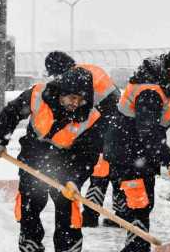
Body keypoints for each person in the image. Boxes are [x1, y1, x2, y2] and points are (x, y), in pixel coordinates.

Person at [0, 66, 101, 252]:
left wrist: (75, 180)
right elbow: (10, 113)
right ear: (61, 91)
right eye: (72, 97)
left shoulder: (91, 117)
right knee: (28, 208)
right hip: (34, 159)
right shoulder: (38, 95)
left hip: (67, 166)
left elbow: (89, 154)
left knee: (68, 214)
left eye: (81, 99)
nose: (75, 103)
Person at [104, 49, 170, 252]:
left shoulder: (160, 86)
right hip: (128, 155)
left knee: (140, 205)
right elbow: (148, 132)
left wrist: (160, 157)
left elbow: (151, 134)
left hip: (136, 154)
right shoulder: (150, 92)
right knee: (139, 205)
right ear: (166, 70)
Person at [45, 51, 121, 228]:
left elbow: (82, 111)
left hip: (105, 121)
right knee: (114, 167)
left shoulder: (78, 78)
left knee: (100, 167)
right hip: (115, 120)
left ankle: (91, 215)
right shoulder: (88, 69)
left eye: (55, 74)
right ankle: (119, 213)